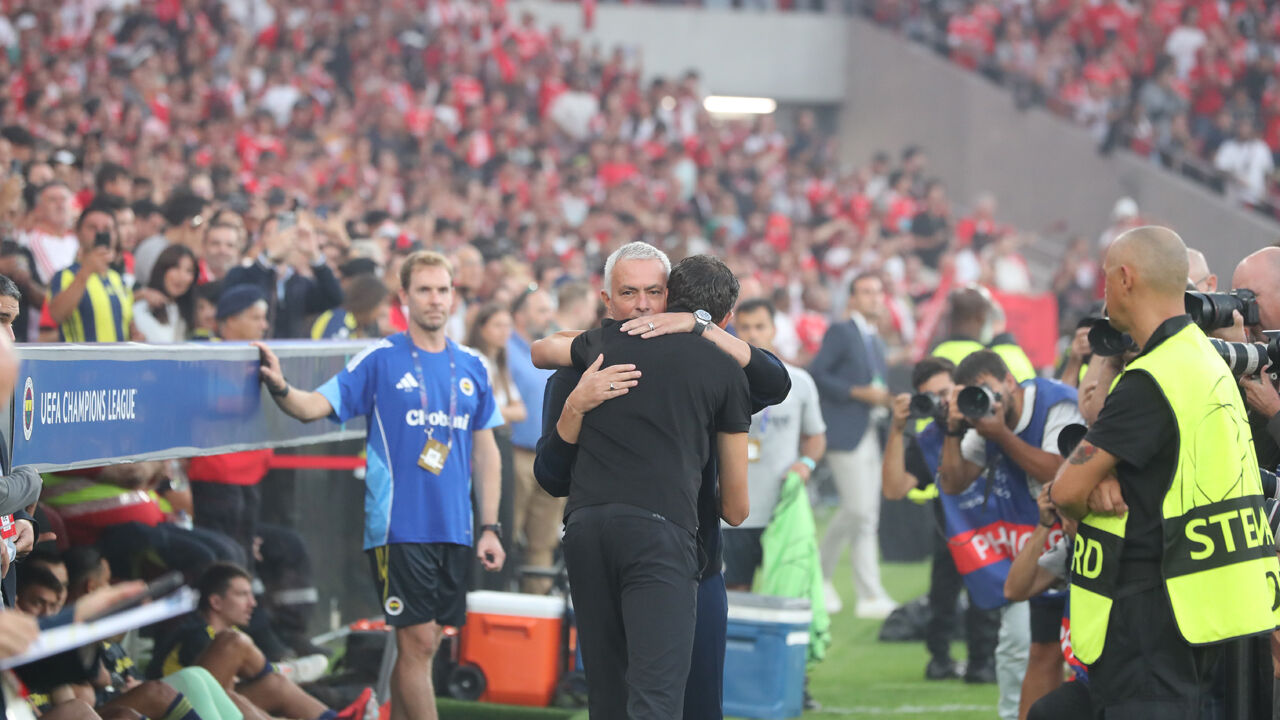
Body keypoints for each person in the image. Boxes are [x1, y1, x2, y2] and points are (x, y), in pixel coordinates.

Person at [532, 242, 791, 720]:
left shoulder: (706, 362)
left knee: (645, 701)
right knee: (649, 702)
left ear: (670, 298)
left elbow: (774, 380)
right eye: (629, 293)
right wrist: (575, 408)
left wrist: (699, 327)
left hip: (690, 557)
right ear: (606, 301)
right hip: (661, 543)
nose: (644, 305)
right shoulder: (583, 367)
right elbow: (550, 476)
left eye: (653, 292)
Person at [255, 250, 505, 720]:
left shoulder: (471, 366)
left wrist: (489, 525)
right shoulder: (380, 359)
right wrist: (282, 388)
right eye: (425, 290)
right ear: (404, 297)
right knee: (415, 640)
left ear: (454, 296)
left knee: (424, 644)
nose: (436, 299)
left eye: (443, 289)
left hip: (455, 527)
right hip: (399, 525)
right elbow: (314, 406)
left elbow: (486, 450)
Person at [1051, 226, 1279, 718]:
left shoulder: (1152, 377)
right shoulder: (1210, 360)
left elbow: (1065, 488)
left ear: (1126, 279)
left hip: (1150, 618)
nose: (1104, 293)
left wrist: (1087, 487)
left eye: (1107, 280)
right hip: (1214, 612)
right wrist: (1106, 476)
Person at [937, 351, 1083, 720]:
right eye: (974, 394)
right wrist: (954, 431)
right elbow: (952, 483)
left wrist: (1000, 434)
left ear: (1009, 381)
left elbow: (1058, 469)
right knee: (1039, 649)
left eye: (987, 389)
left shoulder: (1055, 402)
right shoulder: (983, 422)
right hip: (1043, 542)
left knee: (1077, 653)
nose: (984, 400)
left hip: (1082, 535)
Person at [881, 357, 999, 684]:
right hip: (952, 530)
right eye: (933, 397)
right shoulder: (929, 438)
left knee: (987, 603)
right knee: (941, 600)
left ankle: (983, 663)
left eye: (947, 391)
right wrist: (897, 428)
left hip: (995, 530)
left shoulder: (988, 422)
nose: (944, 402)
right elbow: (893, 489)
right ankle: (941, 660)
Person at [148, 563, 369, 720]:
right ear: (215, 601)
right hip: (177, 710)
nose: (252, 603)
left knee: (276, 685)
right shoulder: (195, 634)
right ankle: (285, 670)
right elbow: (213, 693)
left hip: (211, 702)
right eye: (243, 595)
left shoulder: (224, 633)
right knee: (235, 643)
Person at [723, 298, 826, 591]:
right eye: (745, 327)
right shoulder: (720, 380)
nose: (752, 334)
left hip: (783, 513)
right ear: (734, 330)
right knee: (735, 599)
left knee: (785, 595)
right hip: (733, 514)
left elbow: (816, 436)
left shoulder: (800, 381)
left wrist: (805, 464)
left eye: (760, 326)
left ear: (773, 329)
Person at [809, 272, 895, 618]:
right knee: (859, 512)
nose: (875, 297)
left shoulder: (875, 339)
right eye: (867, 291)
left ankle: (859, 592)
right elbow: (818, 373)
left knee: (865, 515)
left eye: (878, 290)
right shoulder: (842, 331)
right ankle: (832, 579)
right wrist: (859, 392)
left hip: (870, 429)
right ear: (853, 299)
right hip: (846, 431)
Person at [504, 286, 557, 594]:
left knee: (543, 541)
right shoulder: (506, 350)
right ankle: (497, 604)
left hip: (549, 456)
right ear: (519, 316)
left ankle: (537, 612)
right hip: (517, 454)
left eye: (548, 310)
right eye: (540, 310)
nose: (547, 317)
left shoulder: (550, 348)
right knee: (506, 534)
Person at [224, 213, 343, 339]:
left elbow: (334, 298)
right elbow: (234, 298)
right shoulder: (243, 272)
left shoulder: (300, 283)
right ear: (260, 239)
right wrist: (267, 257)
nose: (280, 239)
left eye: (285, 233)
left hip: (289, 356)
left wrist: (314, 255)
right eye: (272, 234)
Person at [47, 201, 135, 343]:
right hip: (80, 364)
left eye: (107, 228)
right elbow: (57, 314)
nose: (100, 233)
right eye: (92, 227)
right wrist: (86, 271)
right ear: (78, 232)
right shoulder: (65, 275)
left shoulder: (118, 279)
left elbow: (128, 325)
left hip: (117, 364)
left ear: (115, 235)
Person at [466, 302, 526, 425]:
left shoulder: (498, 363)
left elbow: (521, 411)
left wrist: (500, 412)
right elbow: (480, 409)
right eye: (498, 325)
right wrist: (506, 413)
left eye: (508, 326)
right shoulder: (475, 359)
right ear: (481, 328)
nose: (504, 332)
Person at [133, 245, 197, 343]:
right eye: (176, 267)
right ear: (163, 269)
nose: (181, 276)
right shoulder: (142, 305)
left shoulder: (185, 310)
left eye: (189, 271)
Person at [310, 274, 391, 340]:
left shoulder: (363, 326)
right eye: (382, 304)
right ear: (369, 303)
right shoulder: (338, 321)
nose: (383, 310)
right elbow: (333, 357)